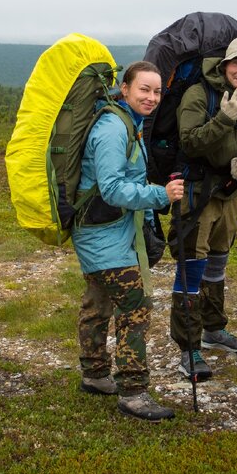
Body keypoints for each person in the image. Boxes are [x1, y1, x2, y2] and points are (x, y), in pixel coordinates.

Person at [73, 60, 185, 421]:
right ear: (125, 89)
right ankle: (133, 392)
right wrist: (160, 195)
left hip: (105, 231)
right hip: (102, 234)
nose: (151, 97)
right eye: (144, 89)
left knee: (98, 301)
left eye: (156, 91)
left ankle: (94, 375)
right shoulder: (111, 129)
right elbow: (112, 188)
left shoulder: (128, 123)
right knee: (135, 306)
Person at [171, 37, 237, 380]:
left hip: (229, 193)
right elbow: (190, 141)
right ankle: (189, 348)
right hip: (197, 193)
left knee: (218, 261)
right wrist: (224, 120)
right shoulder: (199, 94)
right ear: (225, 64)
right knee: (192, 266)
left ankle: (214, 329)